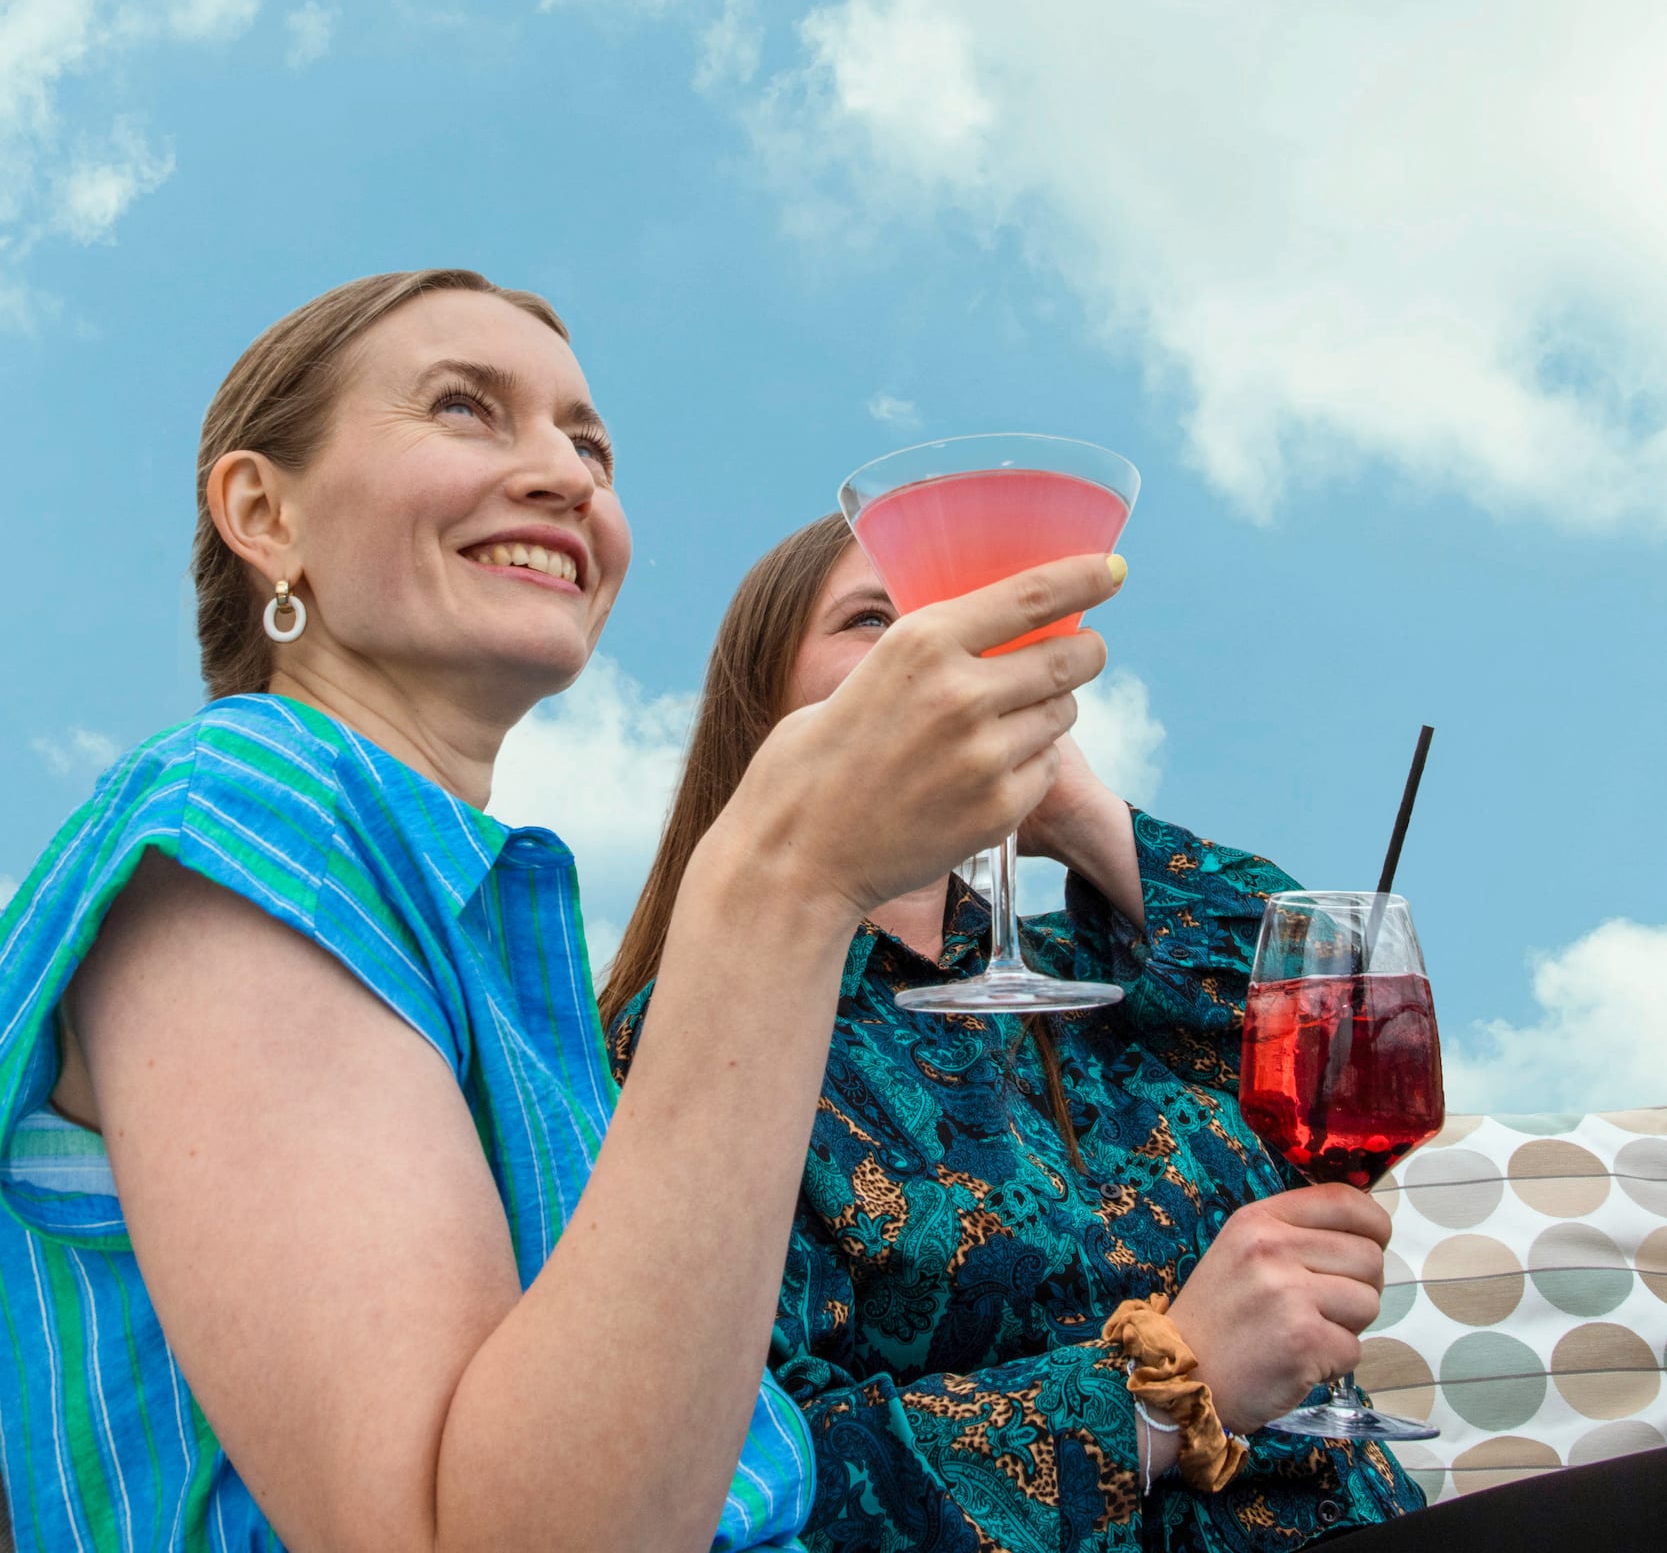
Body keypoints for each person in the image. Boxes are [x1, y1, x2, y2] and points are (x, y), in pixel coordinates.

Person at [0, 270, 1121, 1553]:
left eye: (588, 442)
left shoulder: (476, 908)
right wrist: (783, 879)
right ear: (265, 510)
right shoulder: (247, 802)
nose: (567, 474)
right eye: (465, 407)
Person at [603, 516, 1424, 1551]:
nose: (940, 661)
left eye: (964, 632)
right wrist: (1160, 1385)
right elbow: (735, 1481)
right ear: (762, 712)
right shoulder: (689, 1043)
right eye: (877, 622)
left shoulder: (1107, 968)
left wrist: (1070, 804)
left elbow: (1325, 1007)